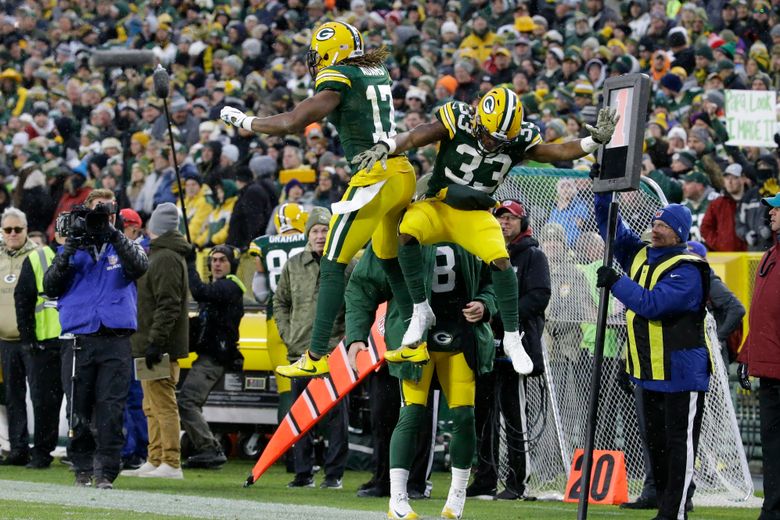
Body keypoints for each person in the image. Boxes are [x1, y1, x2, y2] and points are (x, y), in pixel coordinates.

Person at [350, 87, 617, 377]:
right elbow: (415, 136)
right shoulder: (458, 118)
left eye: (500, 140)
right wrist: (388, 146)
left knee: (500, 258)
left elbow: (557, 150)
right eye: (489, 135)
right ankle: (420, 308)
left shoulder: (519, 138)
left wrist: (593, 141)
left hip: (474, 214)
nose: (492, 143)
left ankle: (514, 338)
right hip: (437, 205)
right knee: (406, 232)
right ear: (478, 120)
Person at [220, 21, 417, 379]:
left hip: (376, 175)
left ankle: (316, 353)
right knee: (388, 258)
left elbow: (294, 122)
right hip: (402, 172)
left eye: (318, 56)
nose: (315, 63)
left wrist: (248, 122)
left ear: (333, 51)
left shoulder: (341, 74)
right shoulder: (375, 68)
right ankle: (415, 339)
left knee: (331, 260)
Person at [359, 237, 496, 520]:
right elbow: (369, 283)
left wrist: (485, 304)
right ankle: (398, 498)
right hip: (416, 337)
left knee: (464, 417)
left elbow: (493, 282)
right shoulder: (408, 223)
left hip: (460, 336)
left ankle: (456, 498)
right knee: (410, 415)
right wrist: (356, 333)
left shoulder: (470, 226)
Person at [593, 194, 711, 520]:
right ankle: (663, 506)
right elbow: (612, 229)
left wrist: (616, 282)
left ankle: (676, 510)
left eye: (664, 226)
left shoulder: (688, 268)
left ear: (679, 234)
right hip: (647, 370)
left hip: (681, 372)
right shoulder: (642, 255)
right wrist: (604, 194)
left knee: (679, 445)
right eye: (655, 223)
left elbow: (653, 304)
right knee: (656, 446)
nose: (656, 230)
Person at [43, 189, 149, 489]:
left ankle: (106, 471)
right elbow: (50, 286)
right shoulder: (71, 246)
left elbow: (140, 267)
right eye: (95, 213)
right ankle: (82, 466)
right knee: (77, 407)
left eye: (106, 213)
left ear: (114, 215)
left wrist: (113, 234)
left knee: (111, 408)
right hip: (78, 338)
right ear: (82, 214)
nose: (100, 219)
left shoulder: (125, 245)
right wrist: (69, 248)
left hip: (115, 339)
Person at [468, 200, 550, 501]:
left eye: (510, 219)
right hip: (487, 344)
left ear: (522, 223)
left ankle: (518, 482)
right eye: (500, 217)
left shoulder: (533, 256)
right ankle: (485, 478)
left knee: (515, 417)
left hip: (517, 347)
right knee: (484, 416)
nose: (504, 223)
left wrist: (499, 315)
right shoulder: (485, 253)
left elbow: (539, 297)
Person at [274, 207, 351, 489]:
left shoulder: (346, 264)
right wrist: (287, 332)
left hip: (333, 354)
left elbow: (356, 304)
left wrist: (346, 339)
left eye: (325, 230)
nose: (320, 236)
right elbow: (280, 302)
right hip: (299, 353)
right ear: (308, 235)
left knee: (336, 418)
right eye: (315, 231)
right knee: (298, 417)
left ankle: (334, 475)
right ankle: (302, 472)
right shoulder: (293, 264)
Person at [124, 203, 190, 480]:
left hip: (158, 344)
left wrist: (156, 341)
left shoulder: (165, 258)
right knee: (150, 405)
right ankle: (156, 457)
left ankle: (171, 462)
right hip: (149, 340)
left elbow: (168, 304)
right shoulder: (164, 255)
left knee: (163, 403)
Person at [179, 244, 245, 469]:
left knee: (187, 401)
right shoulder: (220, 288)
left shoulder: (230, 287)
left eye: (222, 260)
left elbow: (199, 292)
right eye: (214, 260)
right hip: (210, 355)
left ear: (232, 265)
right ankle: (208, 448)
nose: (216, 264)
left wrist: (189, 264)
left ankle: (209, 449)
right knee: (189, 402)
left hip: (213, 358)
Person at [737, 192, 780, 520]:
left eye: (776, 209)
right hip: (769, 370)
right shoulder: (769, 256)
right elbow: (761, 314)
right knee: (773, 448)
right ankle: (772, 510)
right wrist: (748, 355)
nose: (770, 214)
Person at [248, 202, 308, 427]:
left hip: (276, 322)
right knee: (309, 389)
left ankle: (289, 453)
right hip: (305, 321)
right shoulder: (311, 241)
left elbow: (260, 294)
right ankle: (309, 451)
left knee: (286, 391)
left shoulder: (263, 245)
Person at [13, 225, 63, 470]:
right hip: (44, 343)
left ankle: (78, 453)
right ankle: (43, 452)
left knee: (81, 401)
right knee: (44, 401)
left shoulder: (87, 254)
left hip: (73, 340)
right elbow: (22, 300)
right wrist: (28, 338)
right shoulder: (39, 257)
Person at [0, 208, 41, 466]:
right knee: (12, 397)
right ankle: (18, 448)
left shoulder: (38, 255)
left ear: (26, 230)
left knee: (39, 396)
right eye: (8, 230)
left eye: (18, 229)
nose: (13, 234)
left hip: (32, 339)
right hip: (4, 341)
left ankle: (42, 449)